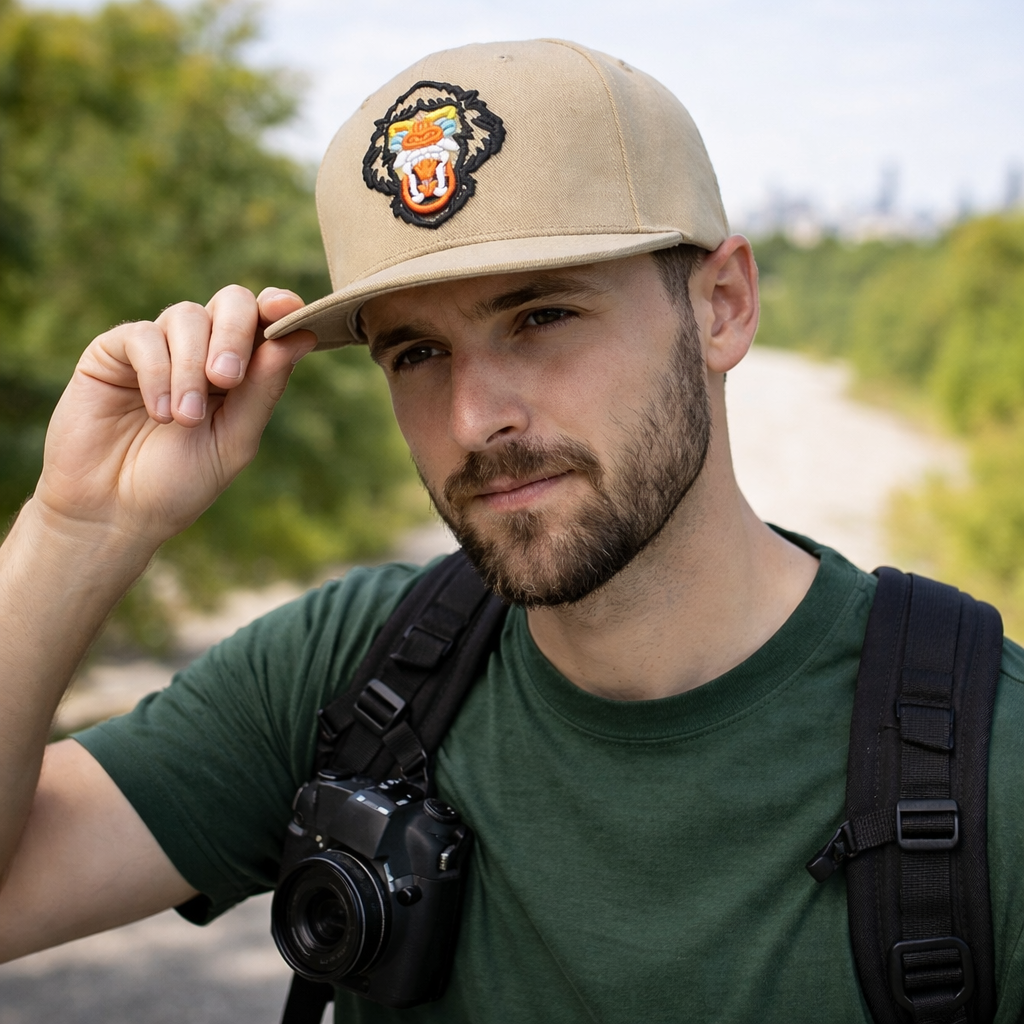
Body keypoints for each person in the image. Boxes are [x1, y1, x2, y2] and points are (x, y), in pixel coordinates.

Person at [0, 38, 1021, 1024]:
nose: (472, 417)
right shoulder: (354, 675)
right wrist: (79, 525)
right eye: (414, 352)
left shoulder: (990, 765)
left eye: (540, 317)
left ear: (722, 305)